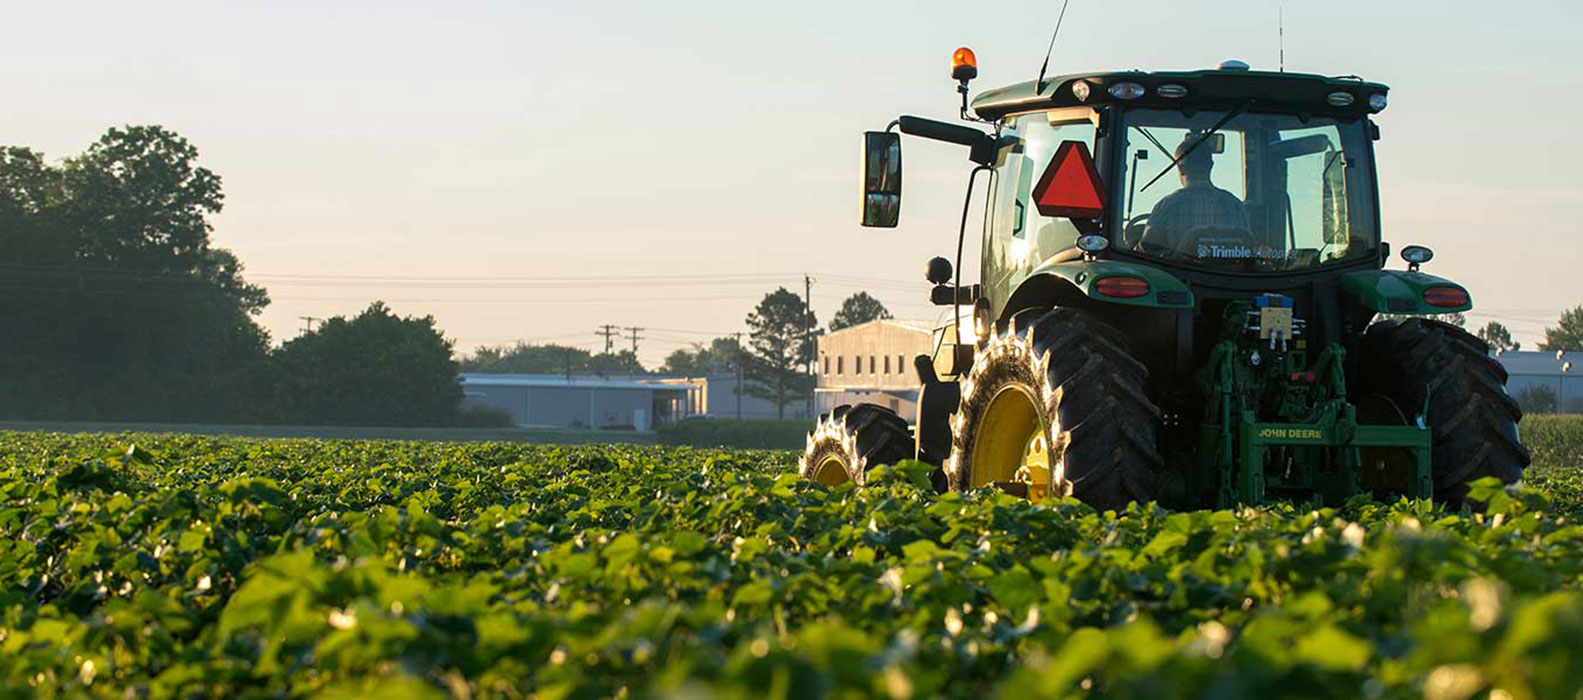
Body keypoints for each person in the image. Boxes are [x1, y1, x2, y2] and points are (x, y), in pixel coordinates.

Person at [1140, 135, 1250, 254]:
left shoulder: (1166, 206)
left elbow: (1146, 251)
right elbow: (1247, 247)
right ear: (1211, 165)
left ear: (1181, 169)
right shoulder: (1235, 205)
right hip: (1227, 272)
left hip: (1178, 272)